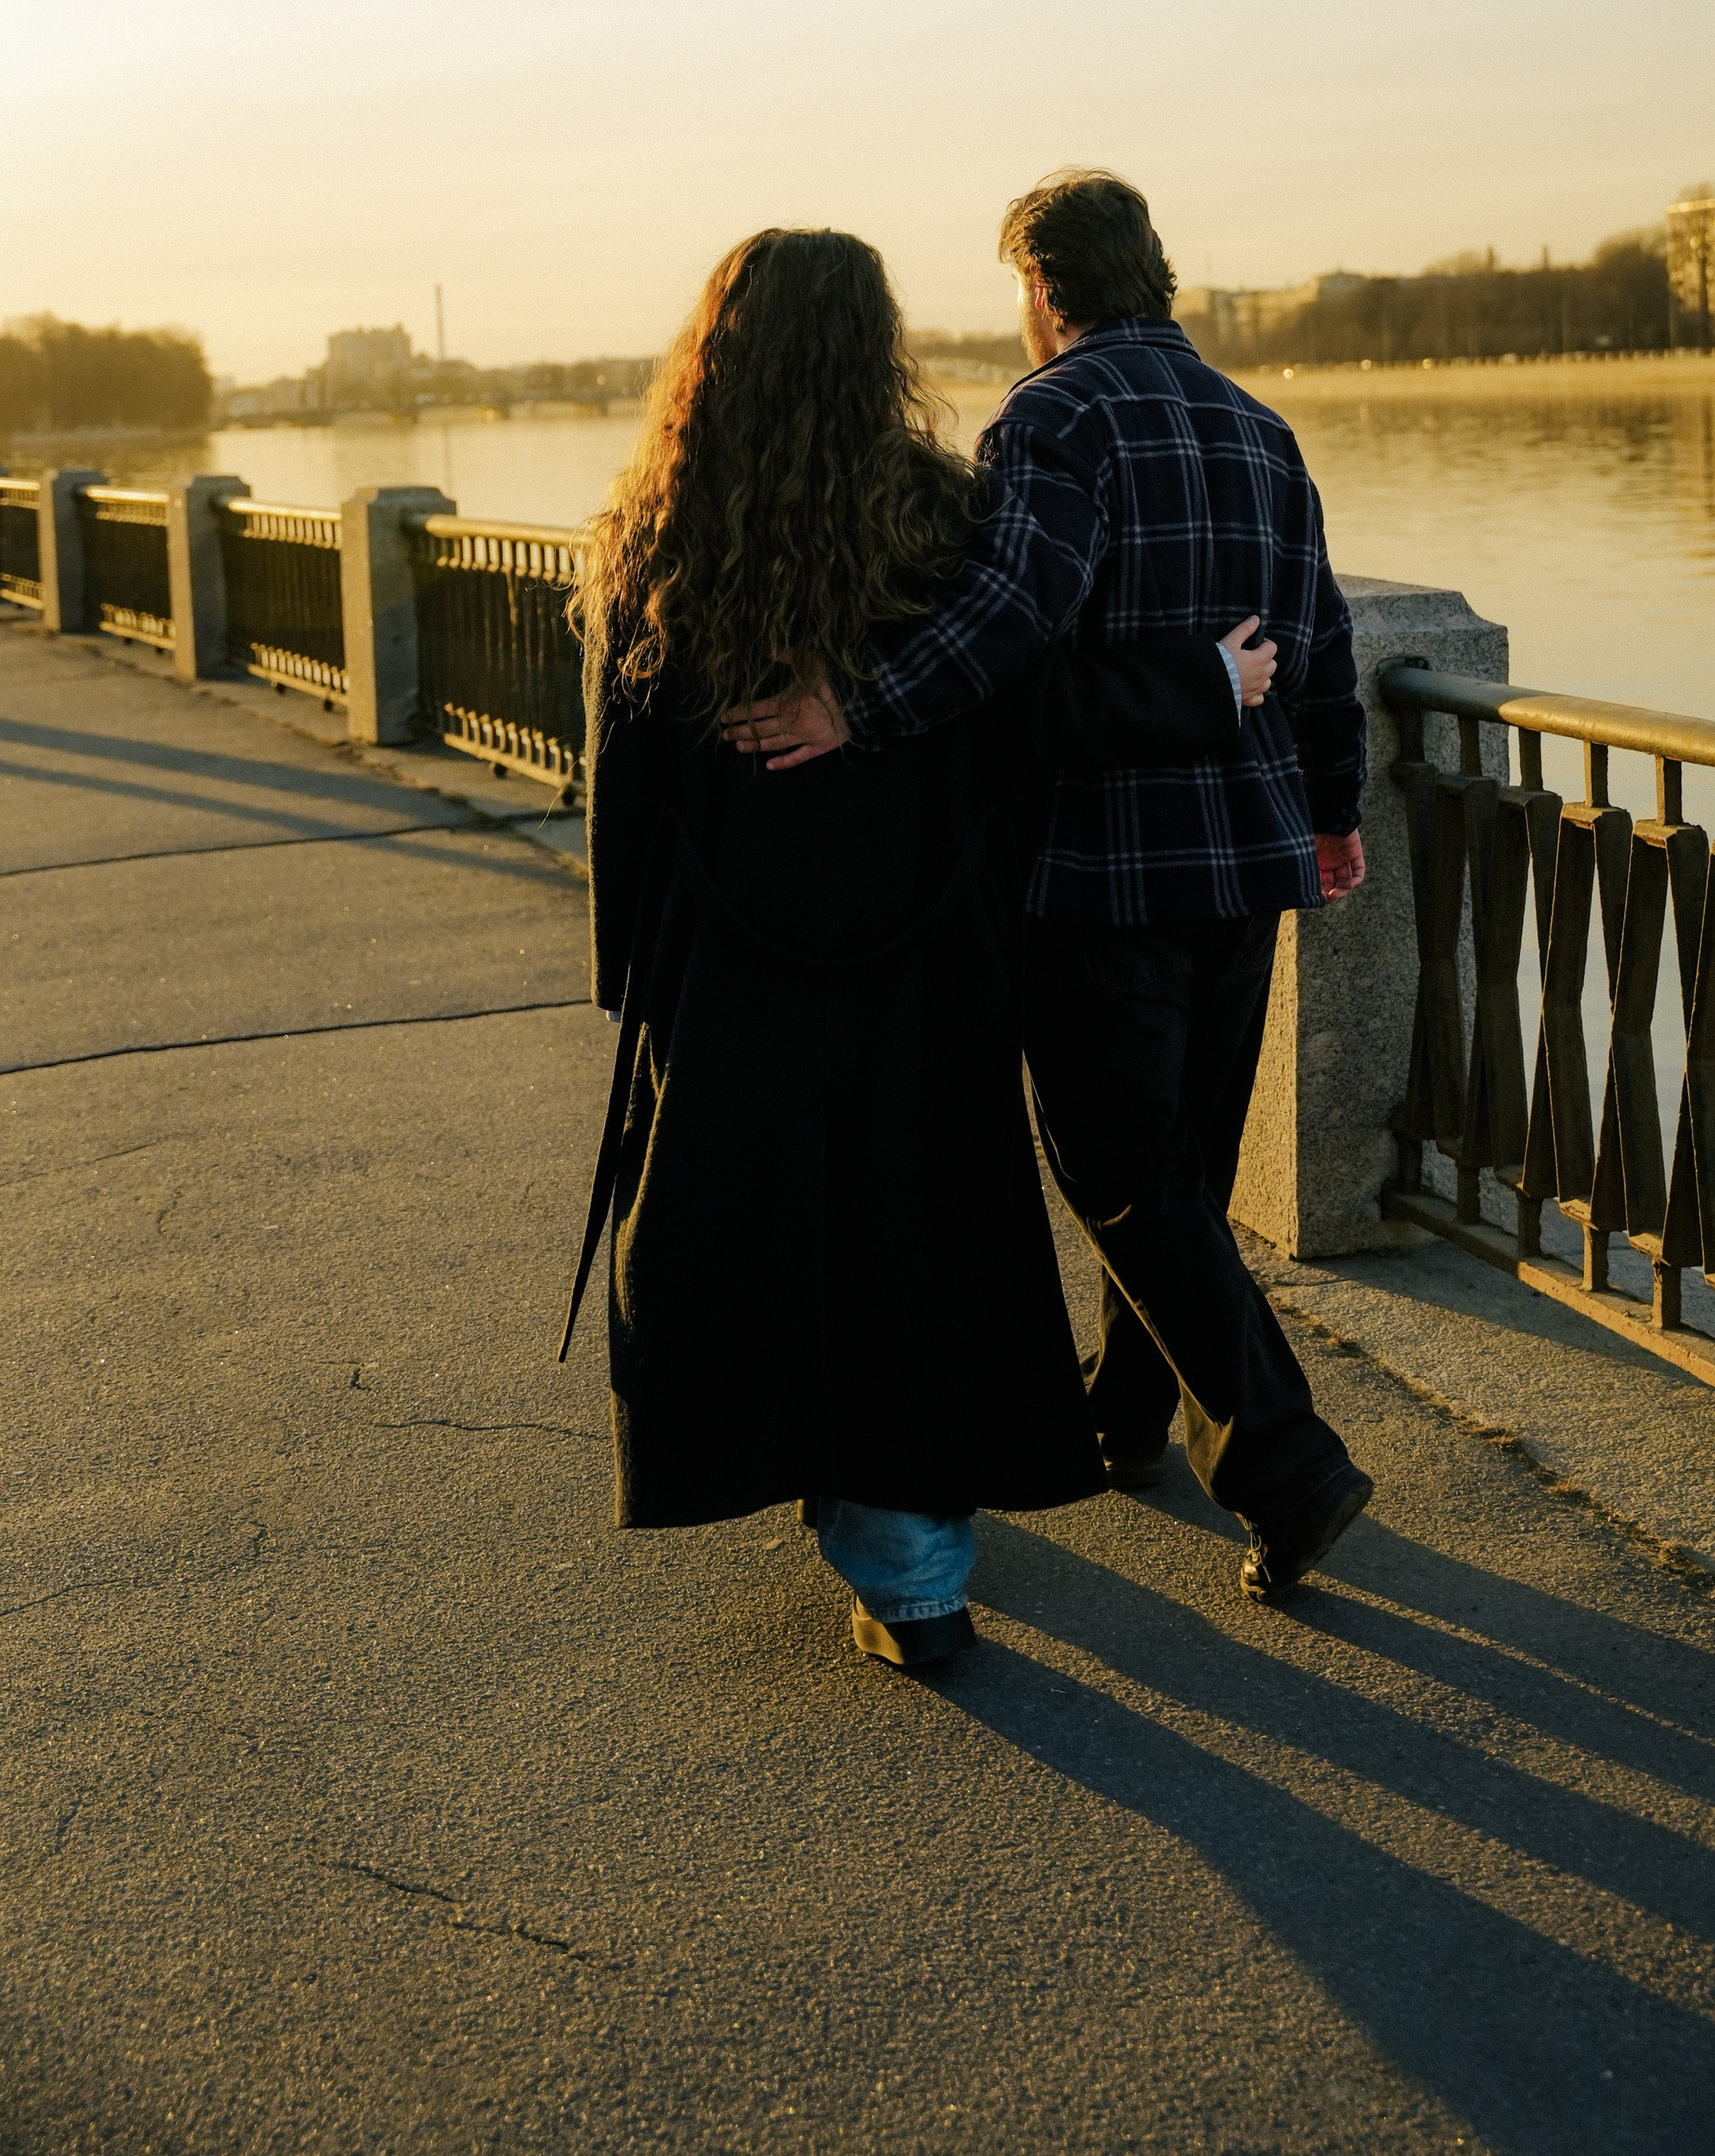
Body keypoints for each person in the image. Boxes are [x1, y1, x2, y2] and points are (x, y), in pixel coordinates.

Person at [559, 225, 1279, 1673]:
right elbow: (1024, 709)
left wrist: (633, 975)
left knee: (767, 1241)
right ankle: (917, 1564)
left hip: (734, 962)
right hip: (931, 951)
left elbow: (621, 788)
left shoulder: (655, 529)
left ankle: (854, 1516)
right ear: (876, 348)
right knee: (917, 1237)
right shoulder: (940, 515)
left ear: (717, 352)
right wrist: (1204, 689)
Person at [732, 170, 1372, 1604]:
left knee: (1116, 1169)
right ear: (1155, 272)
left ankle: (1287, 1460)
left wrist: (862, 706)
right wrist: (1335, 812)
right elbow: (1321, 643)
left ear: (1040, 285)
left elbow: (1012, 618)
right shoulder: (1262, 427)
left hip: (1104, 872)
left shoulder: (1055, 418)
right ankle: (1130, 1418)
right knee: (1181, 1166)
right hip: (1247, 866)